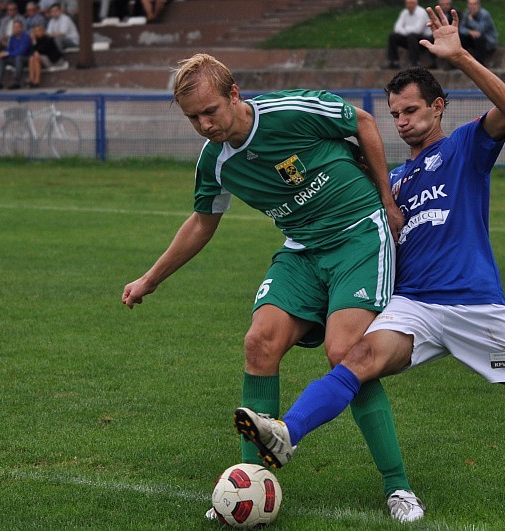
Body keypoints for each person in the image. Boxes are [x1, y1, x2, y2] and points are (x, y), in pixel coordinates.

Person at [234, 5, 505, 509]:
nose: (401, 122)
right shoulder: (393, 182)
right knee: (355, 358)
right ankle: (286, 433)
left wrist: (460, 54)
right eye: (395, 114)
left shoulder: (466, 147)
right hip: (413, 308)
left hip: (477, 309)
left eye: (412, 111)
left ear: (439, 107)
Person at [121, 53, 425, 523]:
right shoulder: (215, 163)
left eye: (210, 111)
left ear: (234, 94)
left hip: (358, 233)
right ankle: (248, 482)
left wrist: (386, 201)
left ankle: (398, 487)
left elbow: (362, 121)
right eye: (193, 118)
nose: (203, 124)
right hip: (302, 249)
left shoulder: (289, 110)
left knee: (345, 353)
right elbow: (202, 223)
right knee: (258, 342)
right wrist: (149, 279)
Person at [386, 0, 432, 69]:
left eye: (412, 3)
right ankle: (394, 61)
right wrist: (407, 30)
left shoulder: (422, 12)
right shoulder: (404, 12)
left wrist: (405, 29)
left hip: (424, 40)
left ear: (416, 3)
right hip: (409, 38)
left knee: (412, 36)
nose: (409, 5)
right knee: (392, 36)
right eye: (408, 3)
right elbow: (397, 28)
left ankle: (415, 62)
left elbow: (418, 30)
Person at [0, 18, 30, 89]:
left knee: (18, 58)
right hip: (14, 58)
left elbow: (22, 51)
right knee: (3, 59)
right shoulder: (12, 38)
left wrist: (8, 53)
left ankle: (17, 82)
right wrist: (4, 53)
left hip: (26, 59)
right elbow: (9, 49)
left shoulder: (26, 37)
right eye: (14, 27)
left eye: (17, 27)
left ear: (21, 28)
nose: (15, 29)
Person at [458, 0, 497, 66]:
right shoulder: (467, 13)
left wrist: (471, 20)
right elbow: (461, 28)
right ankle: (463, 60)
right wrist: (469, 32)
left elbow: (481, 29)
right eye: (470, 4)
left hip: (488, 41)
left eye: (474, 4)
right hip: (474, 40)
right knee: (462, 36)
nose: (472, 6)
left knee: (478, 37)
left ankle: (480, 63)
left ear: (479, 5)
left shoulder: (484, 14)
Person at [27, 21, 62, 87]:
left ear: (43, 31)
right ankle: (31, 80)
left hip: (52, 61)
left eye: (38, 31)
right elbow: (31, 52)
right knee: (31, 58)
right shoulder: (37, 40)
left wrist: (34, 42)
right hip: (41, 59)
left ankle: (37, 80)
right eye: (35, 31)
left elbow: (41, 50)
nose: (36, 33)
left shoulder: (48, 39)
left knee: (36, 55)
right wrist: (34, 42)